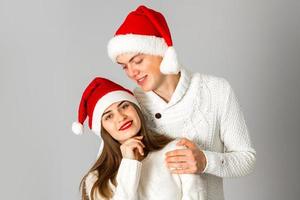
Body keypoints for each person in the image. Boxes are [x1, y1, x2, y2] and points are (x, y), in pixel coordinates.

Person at [107, 5, 256, 200]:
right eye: (124, 67)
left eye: (138, 60)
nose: (131, 73)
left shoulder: (216, 90)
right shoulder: (129, 105)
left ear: (161, 51)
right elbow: (108, 172)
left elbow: (247, 158)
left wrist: (205, 161)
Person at [71, 77, 206, 200]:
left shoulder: (176, 150)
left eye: (124, 106)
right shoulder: (97, 182)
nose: (121, 117)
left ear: (136, 108)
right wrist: (129, 164)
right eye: (108, 116)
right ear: (103, 129)